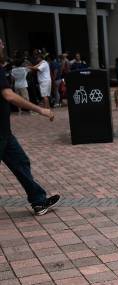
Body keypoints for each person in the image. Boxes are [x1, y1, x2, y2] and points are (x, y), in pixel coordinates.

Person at [0, 42, 60, 216]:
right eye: (0, 42)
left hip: (5, 132)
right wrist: (40, 109)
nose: (3, 44)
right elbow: (8, 95)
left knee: (21, 162)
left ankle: (39, 201)